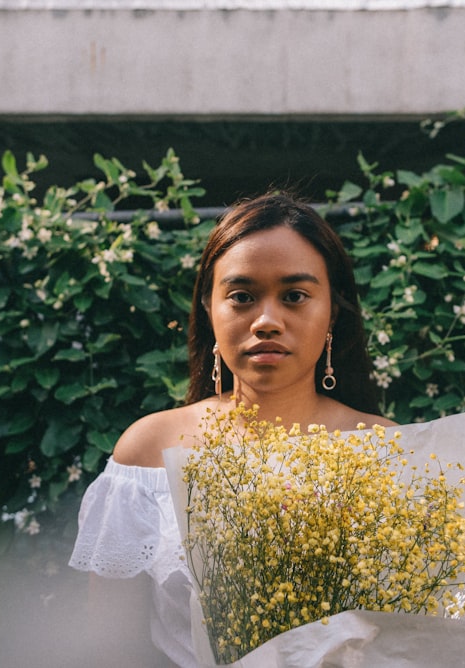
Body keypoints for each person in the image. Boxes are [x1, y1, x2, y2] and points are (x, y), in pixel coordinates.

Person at [68, 193, 395, 667]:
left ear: (332, 313)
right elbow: (111, 647)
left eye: (295, 296)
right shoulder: (149, 453)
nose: (266, 320)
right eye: (242, 296)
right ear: (208, 308)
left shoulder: (387, 449)